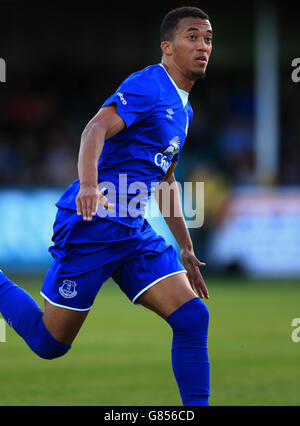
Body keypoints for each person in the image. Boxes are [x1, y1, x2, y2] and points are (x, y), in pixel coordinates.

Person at [0, 6, 213, 406]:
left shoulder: (184, 110)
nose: (203, 46)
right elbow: (95, 128)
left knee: (191, 317)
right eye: (192, 36)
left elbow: (164, 180)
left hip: (132, 229)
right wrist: (88, 184)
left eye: (208, 38)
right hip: (95, 222)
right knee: (50, 344)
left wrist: (185, 247)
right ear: (167, 47)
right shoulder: (150, 85)